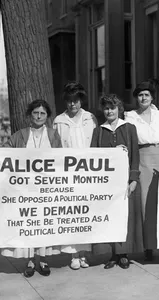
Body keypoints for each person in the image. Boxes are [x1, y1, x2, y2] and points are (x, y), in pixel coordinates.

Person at [1, 99, 62, 277]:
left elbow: (61, 159)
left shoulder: (53, 135)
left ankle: (42, 259)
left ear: (47, 116)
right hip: (25, 190)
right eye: (35, 113)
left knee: (44, 224)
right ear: (29, 115)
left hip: (46, 189)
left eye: (42, 113)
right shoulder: (20, 135)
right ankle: (29, 259)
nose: (39, 116)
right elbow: (5, 153)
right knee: (29, 223)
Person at [91, 94, 143, 269]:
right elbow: (94, 159)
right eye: (106, 108)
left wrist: (133, 179)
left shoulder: (129, 128)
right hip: (106, 184)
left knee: (125, 217)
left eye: (112, 108)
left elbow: (135, 155)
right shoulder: (98, 131)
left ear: (118, 109)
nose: (109, 111)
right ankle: (112, 254)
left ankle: (123, 254)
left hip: (125, 182)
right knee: (110, 218)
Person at [53, 82, 97, 270]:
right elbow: (55, 148)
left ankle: (85, 253)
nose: (73, 104)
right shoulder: (58, 121)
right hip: (69, 173)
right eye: (70, 101)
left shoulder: (90, 118)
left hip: (88, 172)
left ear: (81, 101)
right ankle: (73, 254)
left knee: (86, 212)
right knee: (72, 213)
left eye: (76, 101)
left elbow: (97, 143)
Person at [125, 80, 159, 261]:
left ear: (152, 97)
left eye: (147, 95)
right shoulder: (130, 116)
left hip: (158, 159)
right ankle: (144, 247)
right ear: (136, 97)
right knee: (141, 204)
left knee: (155, 203)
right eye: (140, 95)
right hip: (139, 158)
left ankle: (156, 243)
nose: (143, 98)